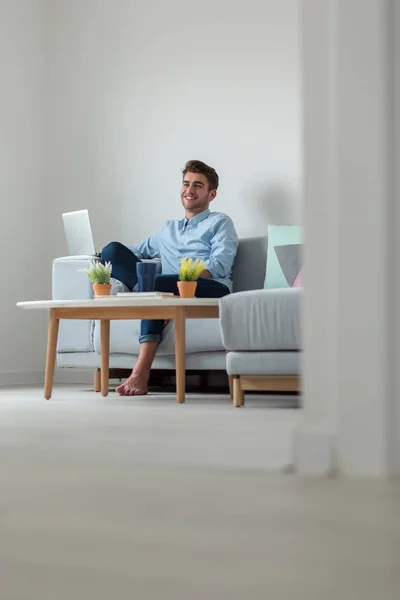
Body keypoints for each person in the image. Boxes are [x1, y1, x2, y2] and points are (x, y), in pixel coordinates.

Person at [101, 160, 239, 396]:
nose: (190, 190)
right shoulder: (168, 229)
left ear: (211, 194)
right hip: (166, 289)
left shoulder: (220, 223)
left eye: (198, 185)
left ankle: (140, 373)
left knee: (155, 285)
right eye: (186, 184)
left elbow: (219, 265)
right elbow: (137, 251)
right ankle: (150, 297)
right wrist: (99, 256)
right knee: (111, 250)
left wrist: (184, 280)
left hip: (210, 288)